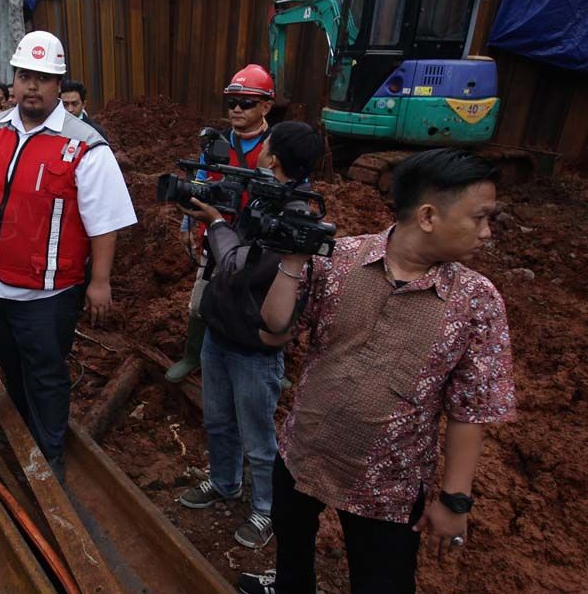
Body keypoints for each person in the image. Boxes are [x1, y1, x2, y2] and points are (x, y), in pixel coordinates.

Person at [238, 148, 517, 594]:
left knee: (381, 581)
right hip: (302, 455)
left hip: (388, 486)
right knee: (292, 553)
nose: (486, 233)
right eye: (480, 217)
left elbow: (471, 409)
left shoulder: (476, 301)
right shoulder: (341, 258)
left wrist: (454, 499)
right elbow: (276, 330)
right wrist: (293, 260)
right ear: (428, 216)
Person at [0, 30, 136, 477]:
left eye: (43, 77)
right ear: (12, 79)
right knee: (9, 362)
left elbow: (104, 221)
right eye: (24, 75)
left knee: (46, 372)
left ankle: (48, 454)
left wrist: (100, 281)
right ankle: (25, 427)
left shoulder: (85, 145)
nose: (32, 86)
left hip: (47, 294)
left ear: (58, 83)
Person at [176, 122, 323, 552]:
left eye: (267, 146)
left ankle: (265, 509)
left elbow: (239, 266)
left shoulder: (297, 216)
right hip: (222, 330)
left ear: (274, 157)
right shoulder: (264, 193)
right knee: (218, 420)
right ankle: (224, 483)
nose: (260, 150)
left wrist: (217, 223)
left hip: (255, 346)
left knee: (259, 437)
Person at [166, 64, 276, 382]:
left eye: (246, 103)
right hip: (215, 235)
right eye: (232, 102)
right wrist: (187, 227)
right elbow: (200, 181)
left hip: (259, 242)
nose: (237, 109)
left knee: (263, 302)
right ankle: (192, 355)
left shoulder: (276, 146)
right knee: (202, 298)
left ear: (266, 106)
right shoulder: (215, 144)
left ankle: (270, 360)